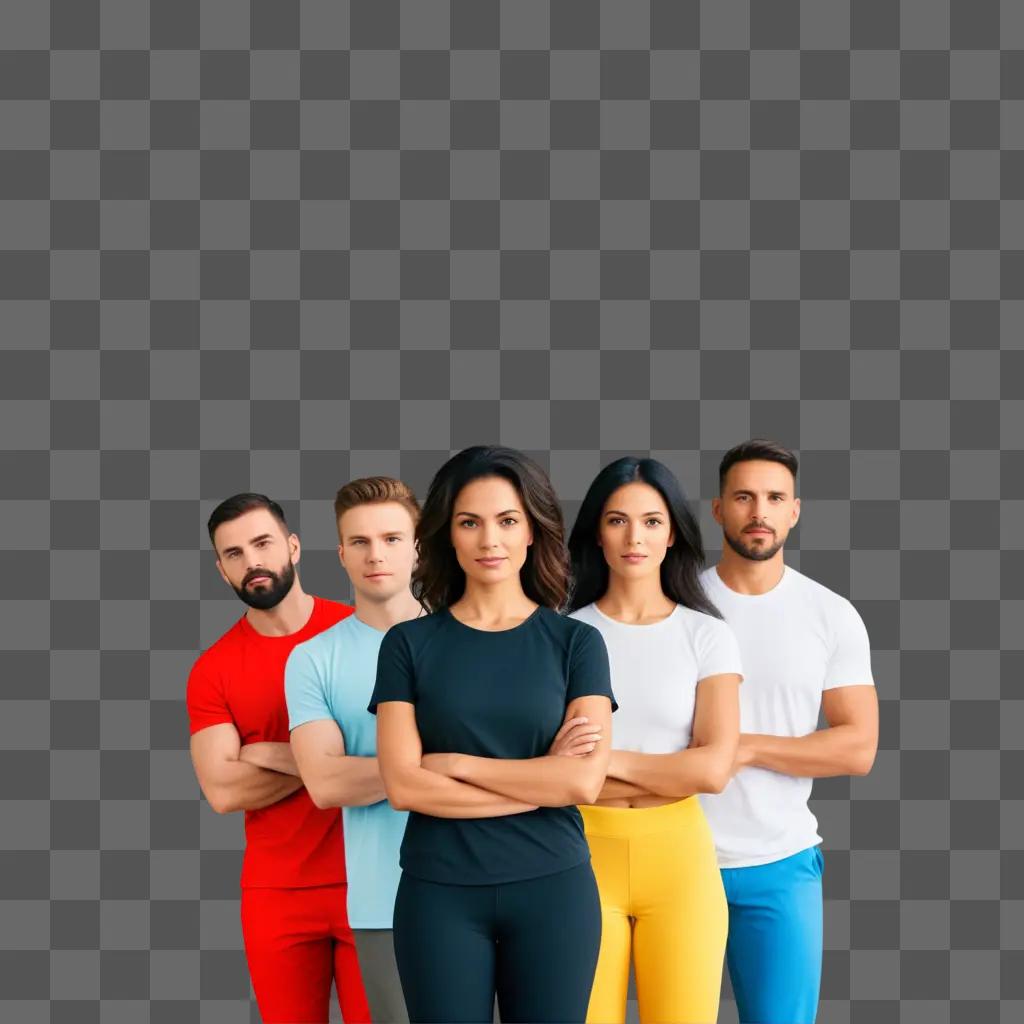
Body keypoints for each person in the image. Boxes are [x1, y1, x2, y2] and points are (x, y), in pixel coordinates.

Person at [368, 445, 616, 1024]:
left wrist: (456, 763)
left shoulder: (577, 644)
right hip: (439, 894)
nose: (489, 541)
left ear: (533, 531)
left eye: (507, 521)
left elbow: (582, 780)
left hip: (554, 890)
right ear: (447, 536)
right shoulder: (406, 646)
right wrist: (539, 781)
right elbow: (405, 787)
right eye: (469, 523)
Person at [700, 439, 879, 1024]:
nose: (759, 511)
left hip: (781, 862)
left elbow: (857, 746)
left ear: (794, 511)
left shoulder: (830, 614)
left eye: (775, 497)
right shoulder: (679, 606)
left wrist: (745, 748)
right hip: (677, 857)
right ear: (717, 508)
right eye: (744, 496)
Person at [565, 456, 742, 1024]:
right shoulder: (563, 634)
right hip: (580, 852)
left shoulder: (707, 636)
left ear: (673, 535)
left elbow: (713, 769)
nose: (634, 537)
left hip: (680, 858)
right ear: (597, 531)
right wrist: (672, 763)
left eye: (651, 521)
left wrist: (601, 760)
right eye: (617, 520)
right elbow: (550, 766)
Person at [186, 493, 370, 1024]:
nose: (253, 562)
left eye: (263, 543)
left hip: (373, 877)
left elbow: (400, 754)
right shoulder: (213, 669)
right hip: (277, 893)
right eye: (235, 554)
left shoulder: (361, 635)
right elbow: (223, 791)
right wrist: (330, 759)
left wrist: (267, 752)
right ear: (221, 570)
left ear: (293, 546)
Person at [285, 477, 424, 1024]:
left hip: (488, 880)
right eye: (360, 542)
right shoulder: (312, 659)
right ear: (341, 554)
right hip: (382, 898)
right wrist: (449, 764)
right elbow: (325, 785)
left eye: (391, 538)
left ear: (417, 547)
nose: (376, 555)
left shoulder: (467, 634)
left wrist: (380, 772)